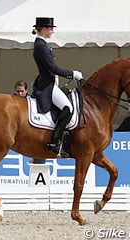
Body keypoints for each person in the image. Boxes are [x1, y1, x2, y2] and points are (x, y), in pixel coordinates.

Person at [31, 17, 83, 157]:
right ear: (43, 29)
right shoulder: (41, 46)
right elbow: (53, 68)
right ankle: (56, 142)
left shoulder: (43, 44)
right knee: (68, 108)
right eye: (50, 29)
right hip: (47, 85)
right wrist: (72, 73)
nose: (52, 31)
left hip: (51, 82)